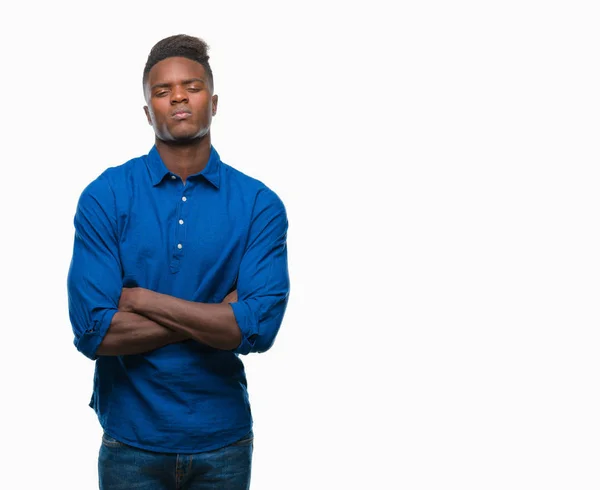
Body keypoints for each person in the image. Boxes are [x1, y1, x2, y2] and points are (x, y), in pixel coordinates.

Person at [67, 34, 290, 489]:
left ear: (213, 101)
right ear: (148, 111)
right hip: (130, 440)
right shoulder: (106, 196)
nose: (178, 98)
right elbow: (93, 331)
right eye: (162, 91)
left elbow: (257, 330)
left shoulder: (259, 204)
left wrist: (140, 299)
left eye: (191, 86)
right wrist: (217, 316)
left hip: (222, 442)